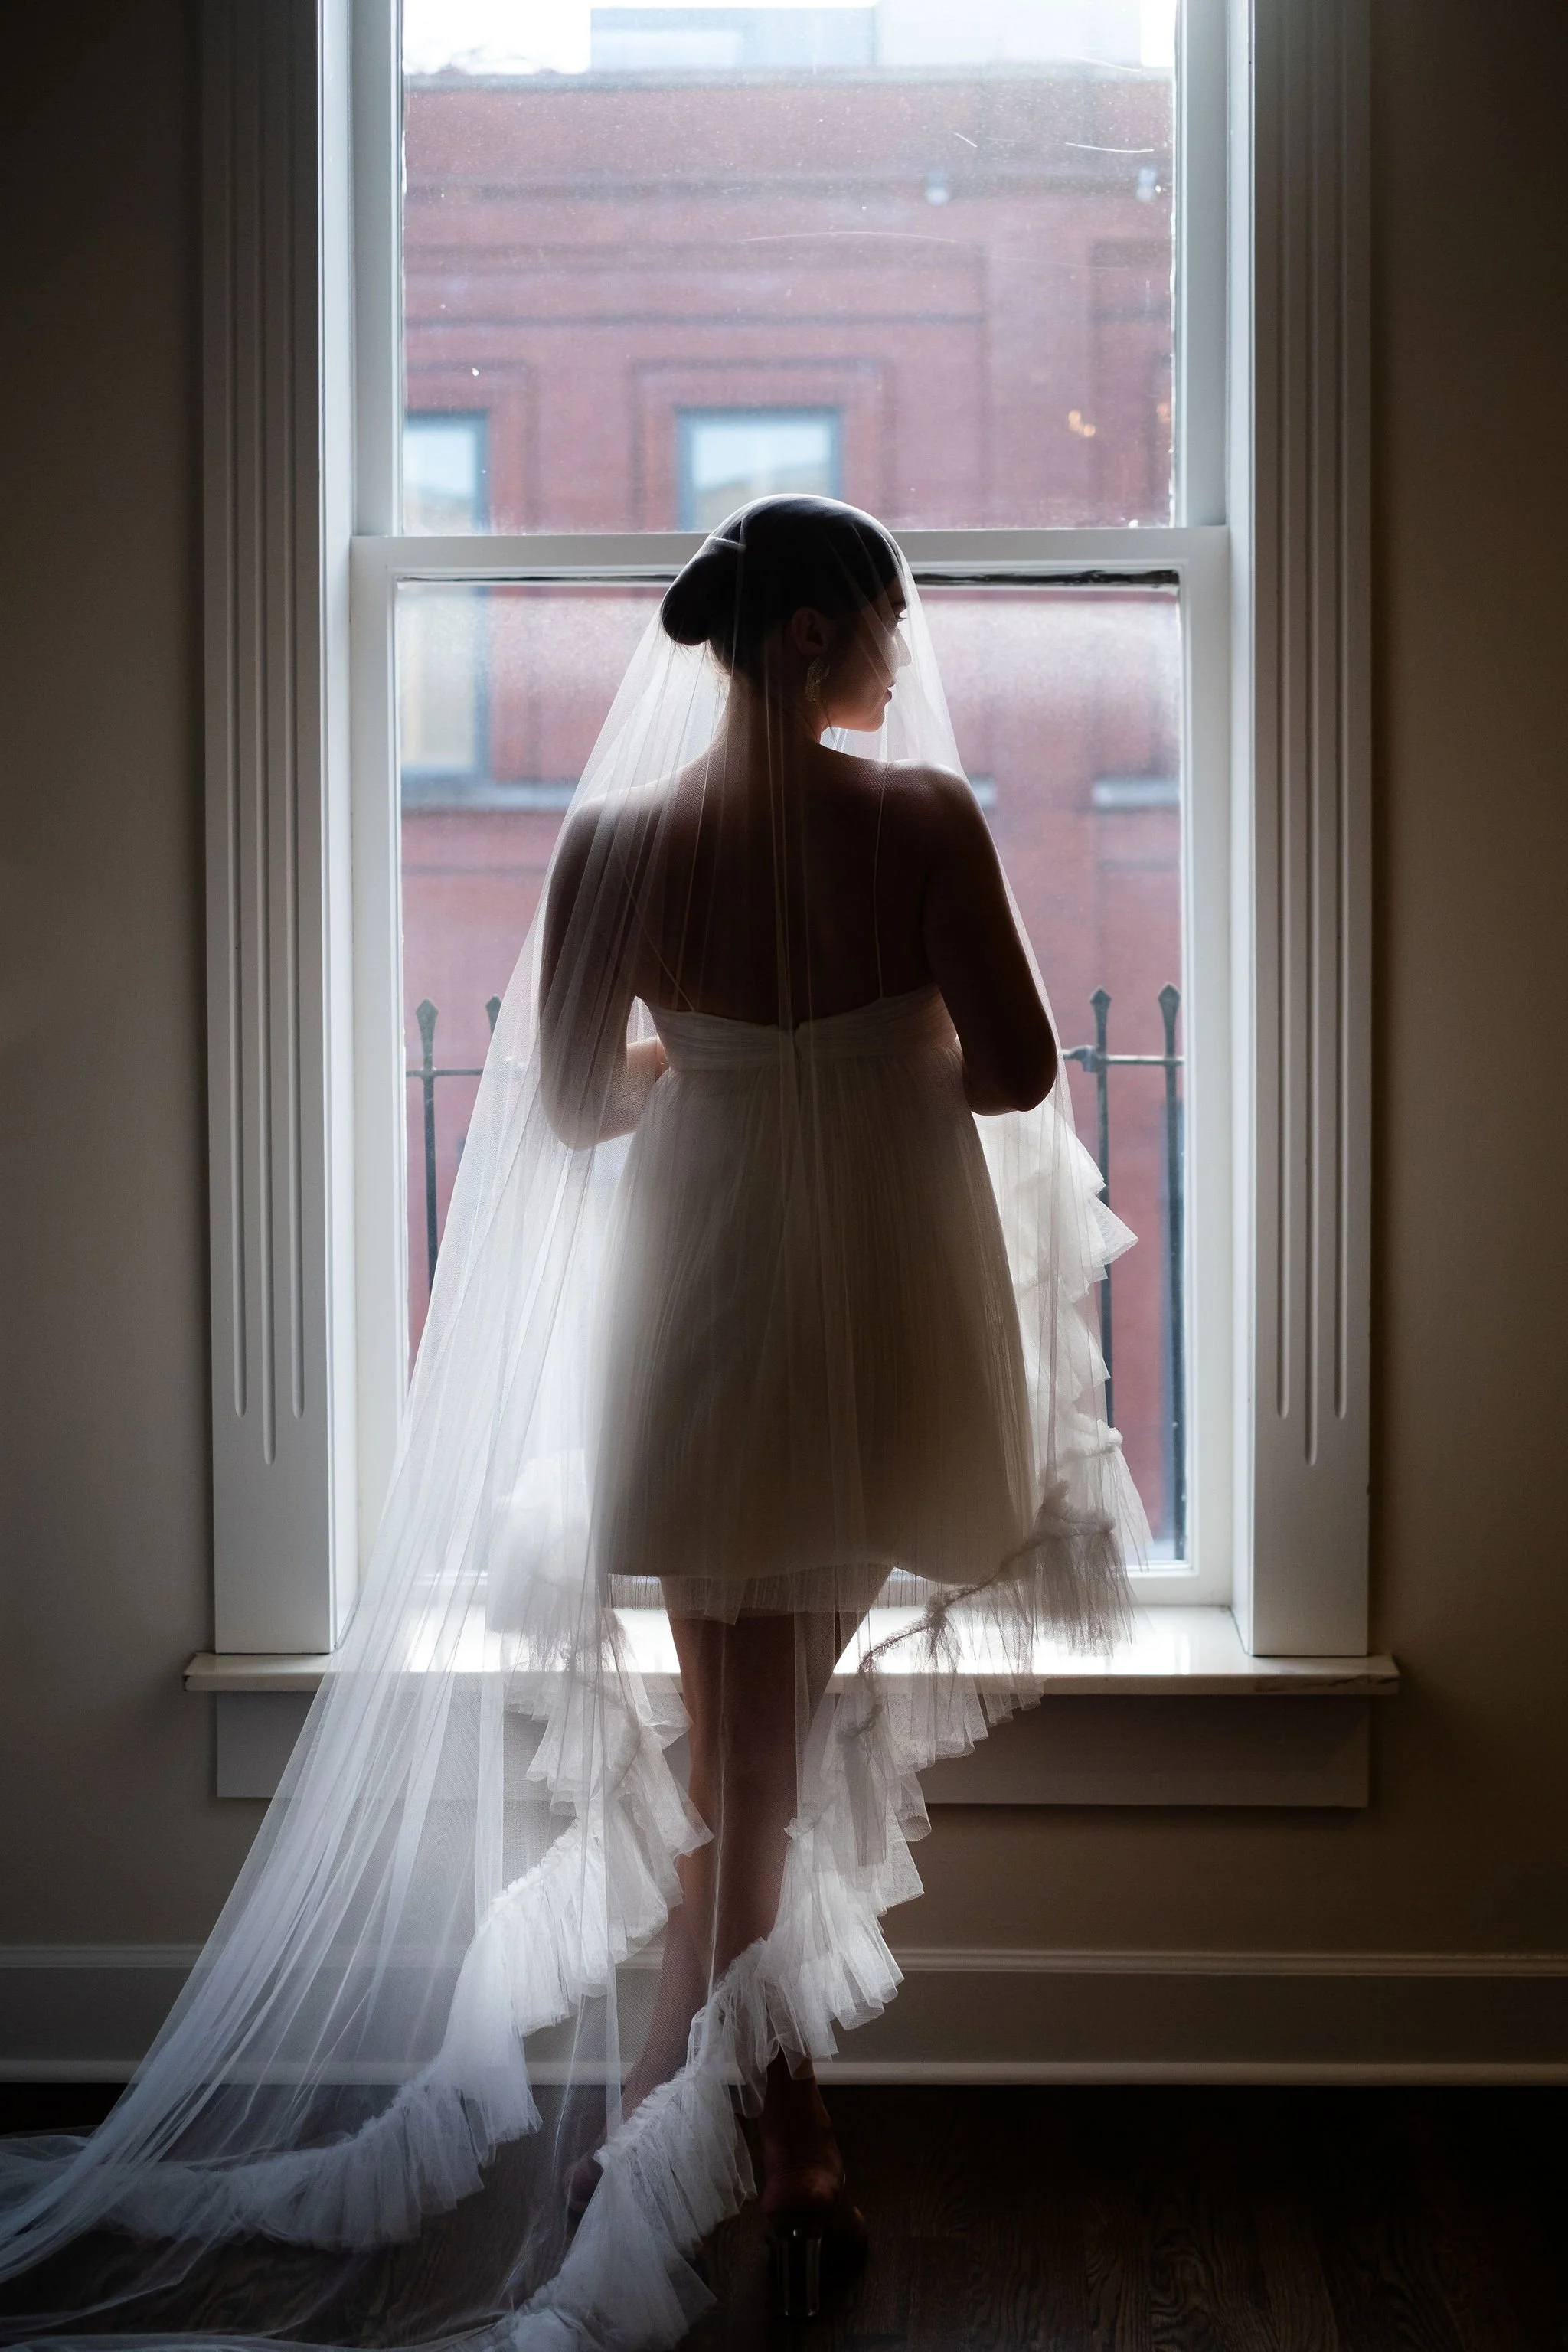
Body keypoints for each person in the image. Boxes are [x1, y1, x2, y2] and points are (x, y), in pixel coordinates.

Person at [0, 498, 1143, 2349]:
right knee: (752, 1765)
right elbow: (1014, 1066)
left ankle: (728, 2126)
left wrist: (716, 1054)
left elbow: (572, 1104)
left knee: (734, 1762)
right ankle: (716, 2138)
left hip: (693, 1325)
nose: (898, 657)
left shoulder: (616, 842)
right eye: (879, 624)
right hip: (874, 1319)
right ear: (800, 645)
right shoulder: (922, 822)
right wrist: (871, 1049)